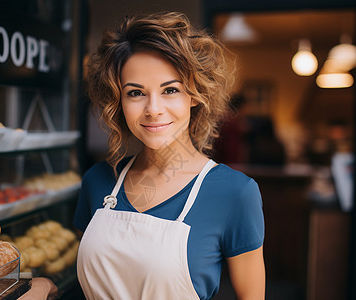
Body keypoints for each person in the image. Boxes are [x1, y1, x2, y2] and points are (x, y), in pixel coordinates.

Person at [75, 11, 264, 299]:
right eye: (136, 93)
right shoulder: (97, 181)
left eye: (170, 90)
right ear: (119, 102)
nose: (153, 109)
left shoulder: (235, 193)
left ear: (195, 95)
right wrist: (46, 285)